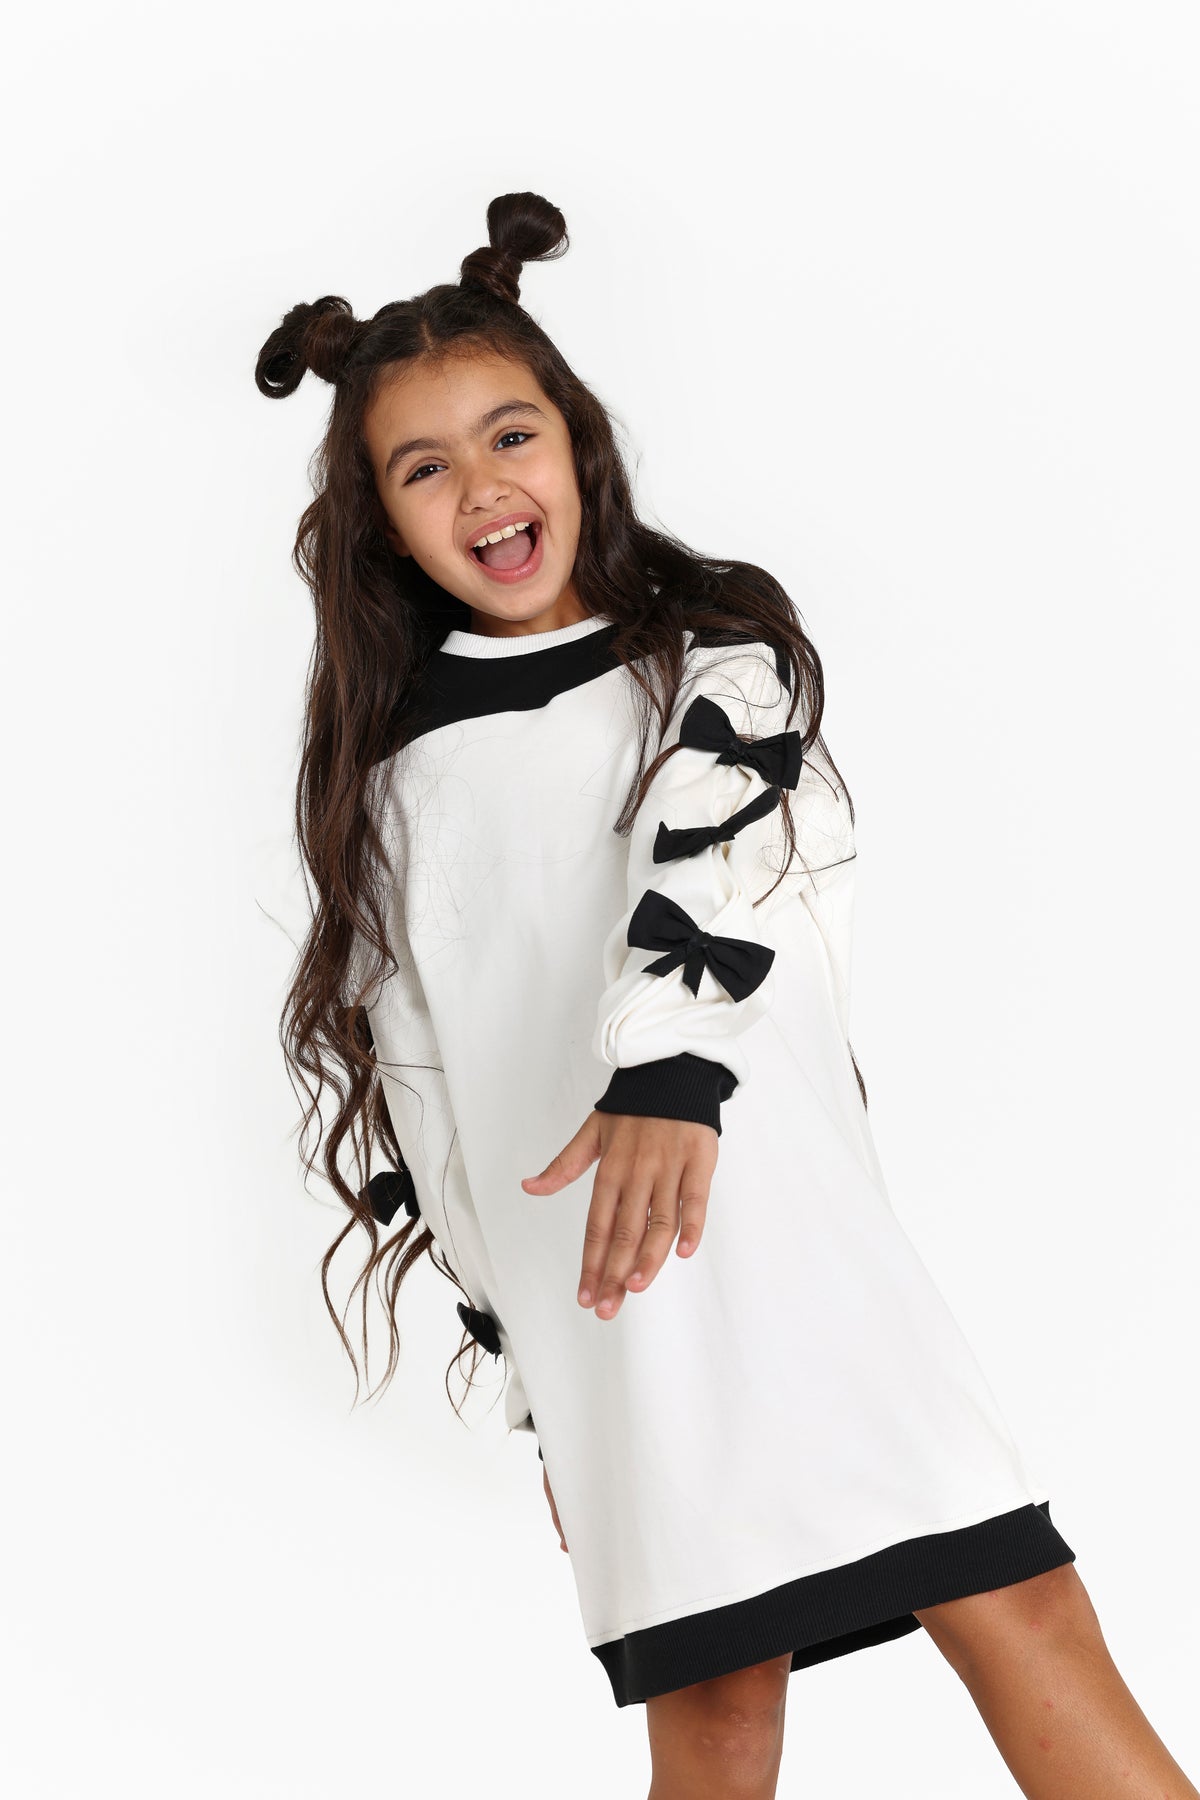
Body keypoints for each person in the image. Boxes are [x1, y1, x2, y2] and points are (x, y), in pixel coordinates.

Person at [255, 191, 1197, 1800]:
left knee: (1022, 1604)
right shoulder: (397, 782)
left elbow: (724, 866)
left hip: (796, 1241)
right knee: (717, 1710)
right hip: (609, 1296)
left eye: (510, 435)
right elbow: (426, 1095)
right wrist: (532, 1378)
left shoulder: (714, 666)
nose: (482, 486)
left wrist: (666, 1077)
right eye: (424, 468)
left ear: (578, 445)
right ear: (381, 524)